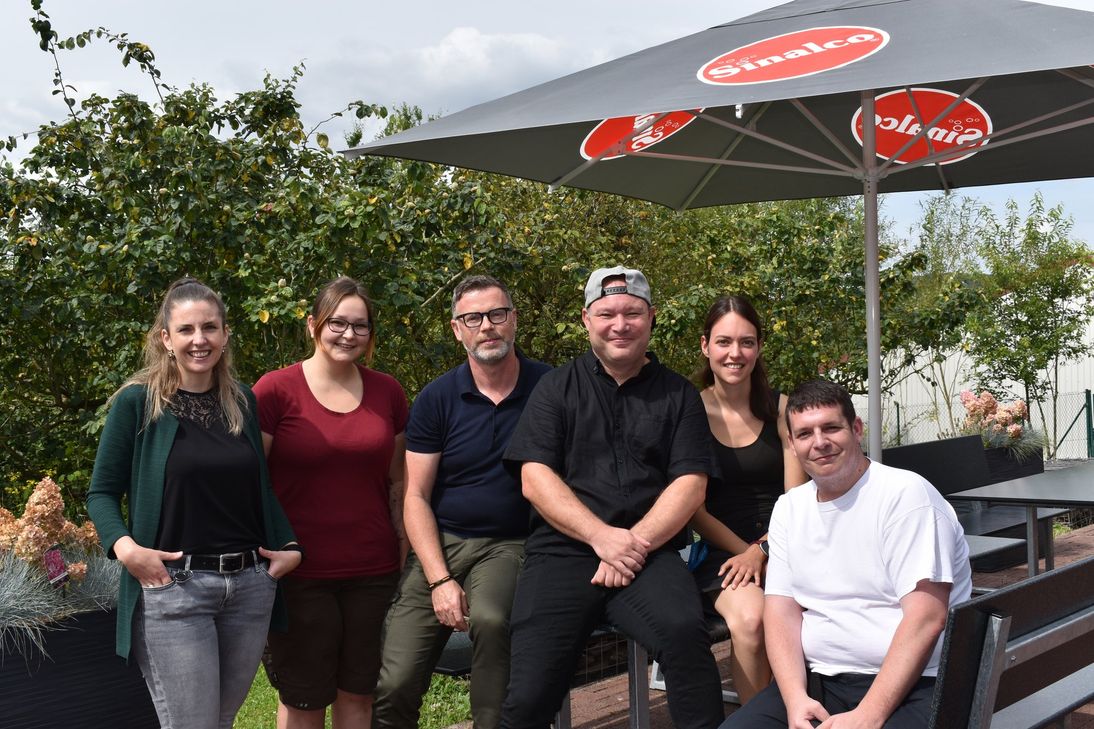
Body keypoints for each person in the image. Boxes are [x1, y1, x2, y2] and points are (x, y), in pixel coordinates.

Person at [500, 265, 725, 729]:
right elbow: (534, 477)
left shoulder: (679, 395)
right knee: (529, 689)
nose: (619, 324)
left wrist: (631, 544)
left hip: (650, 555)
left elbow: (690, 485)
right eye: (607, 314)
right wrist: (602, 537)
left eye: (632, 313)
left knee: (686, 639)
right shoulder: (555, 389)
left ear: (651, 317)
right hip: (562, 553)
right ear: (586, 319)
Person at [86, 277, 302, 729]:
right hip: (174, 588)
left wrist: (290, 547)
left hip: (249, 587)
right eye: (185, 330)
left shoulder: (240, 401)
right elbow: (101, 492)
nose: (199, 340)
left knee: (218, 722)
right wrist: (127, 551)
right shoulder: (137, 404)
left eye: (209, 328)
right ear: (165, 338)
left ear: (225, 335)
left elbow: (259, 489)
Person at [721, 379, 973, 729]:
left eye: (831, 428)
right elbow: (780, 612)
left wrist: (868, 716)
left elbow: (926, 619)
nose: (819, 442)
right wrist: (795, 699)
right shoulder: (790, 509)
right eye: (805, 434)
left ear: (856, 429)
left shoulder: (906, 497)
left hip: (919, 683)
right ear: (792, 445)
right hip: (819, 683)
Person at [372, 274, 551, 729]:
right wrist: (438, 582)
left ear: (513, 320)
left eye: (497, 314)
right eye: (473, 318)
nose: (487, 326)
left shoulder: (550, 389)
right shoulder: (437, 398)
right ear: (457, 329)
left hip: (512, 543)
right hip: (442, 541)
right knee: (394, 682)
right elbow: (414, 494)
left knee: (491, 620)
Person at [254, 276, 408, 729]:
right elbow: (251, 483)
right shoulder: (274, 391)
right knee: (303, 700)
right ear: (313, 325)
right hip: (299, 574)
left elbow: (398, 481)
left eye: (360, 326)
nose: (348, 334)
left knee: (358, 697)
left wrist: (401, 552)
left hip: (374, 572)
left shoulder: (388, 393)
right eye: (337, 322)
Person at [689, 295, 807, 704]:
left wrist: (765, 552)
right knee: (753, 620)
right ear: (705, 346)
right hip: (723, 553)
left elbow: (795, 501)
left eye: (746, 342)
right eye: (724, 342)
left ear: (758, 347)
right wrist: (747, 554)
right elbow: (694, 509)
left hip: (786, 544)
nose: (735, 353)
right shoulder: (688, 412)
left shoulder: (781, 409)